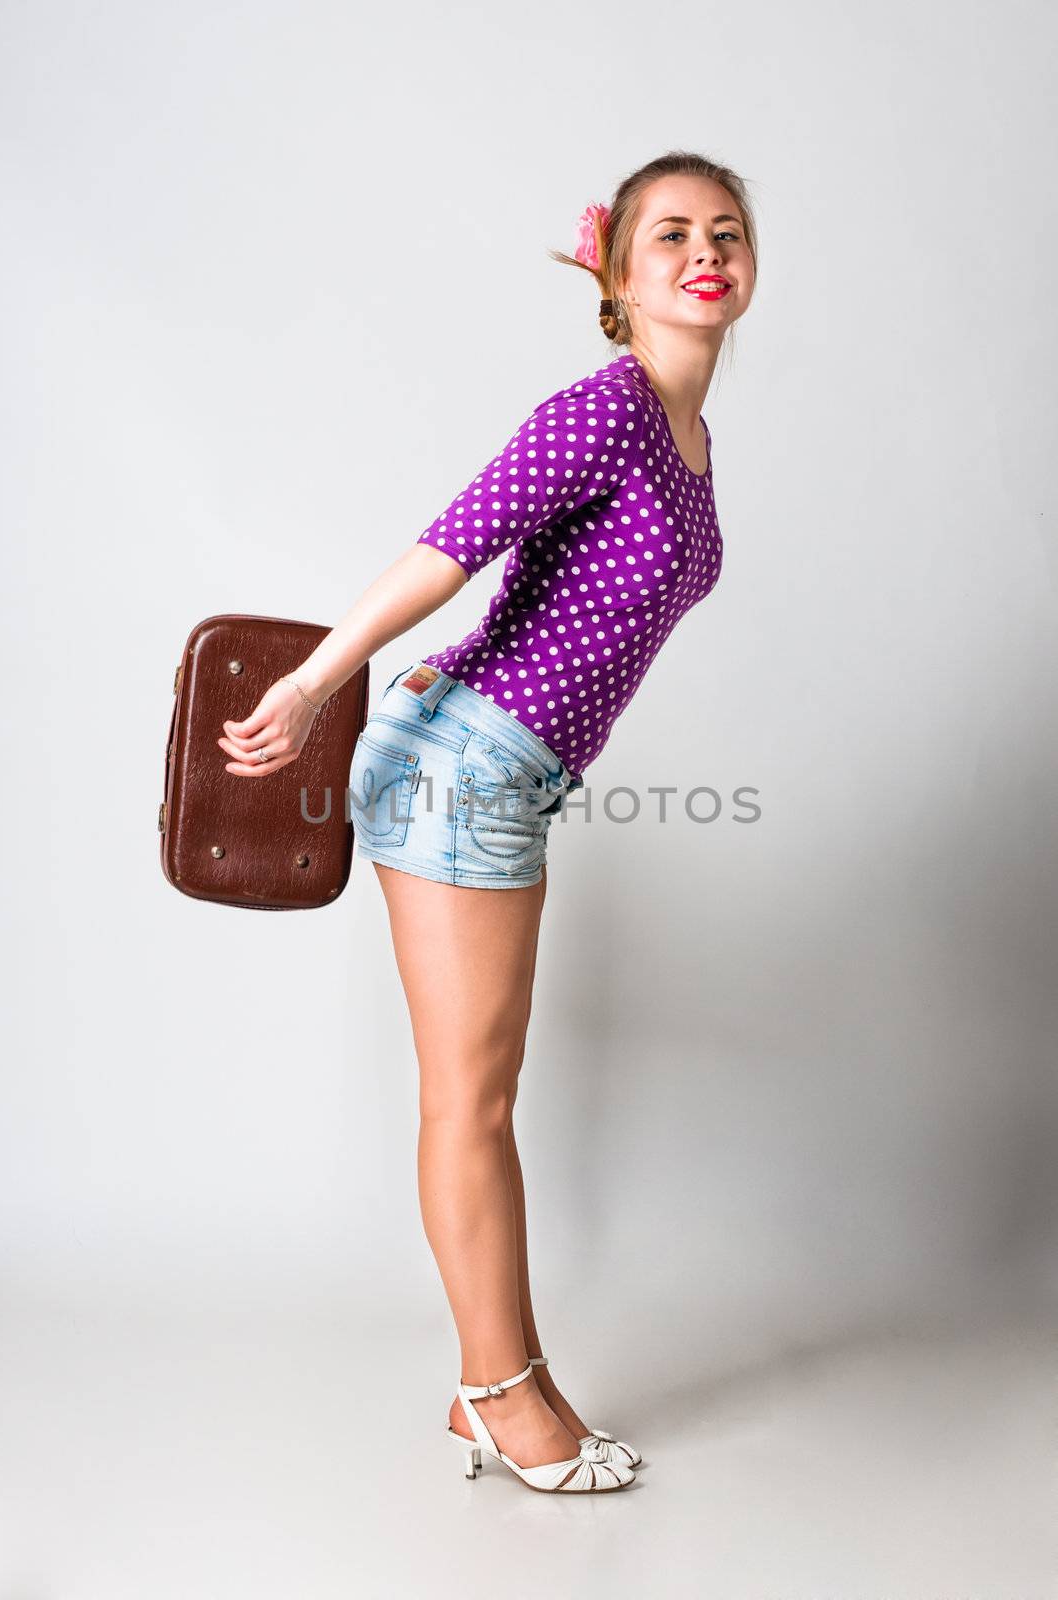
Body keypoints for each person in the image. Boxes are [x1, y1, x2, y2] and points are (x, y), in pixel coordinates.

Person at [216, 149, 757, 1494]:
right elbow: (451, 545)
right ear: (619, 278)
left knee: (482, 1091)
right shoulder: (605, 411)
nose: (707, 251)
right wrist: (311, 678)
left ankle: (493, 1392)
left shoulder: (691, 438)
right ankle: (506, 1396)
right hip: (464, 759)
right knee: (474, 1097)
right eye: (673, 234)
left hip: (507, 766)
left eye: (728, 232)